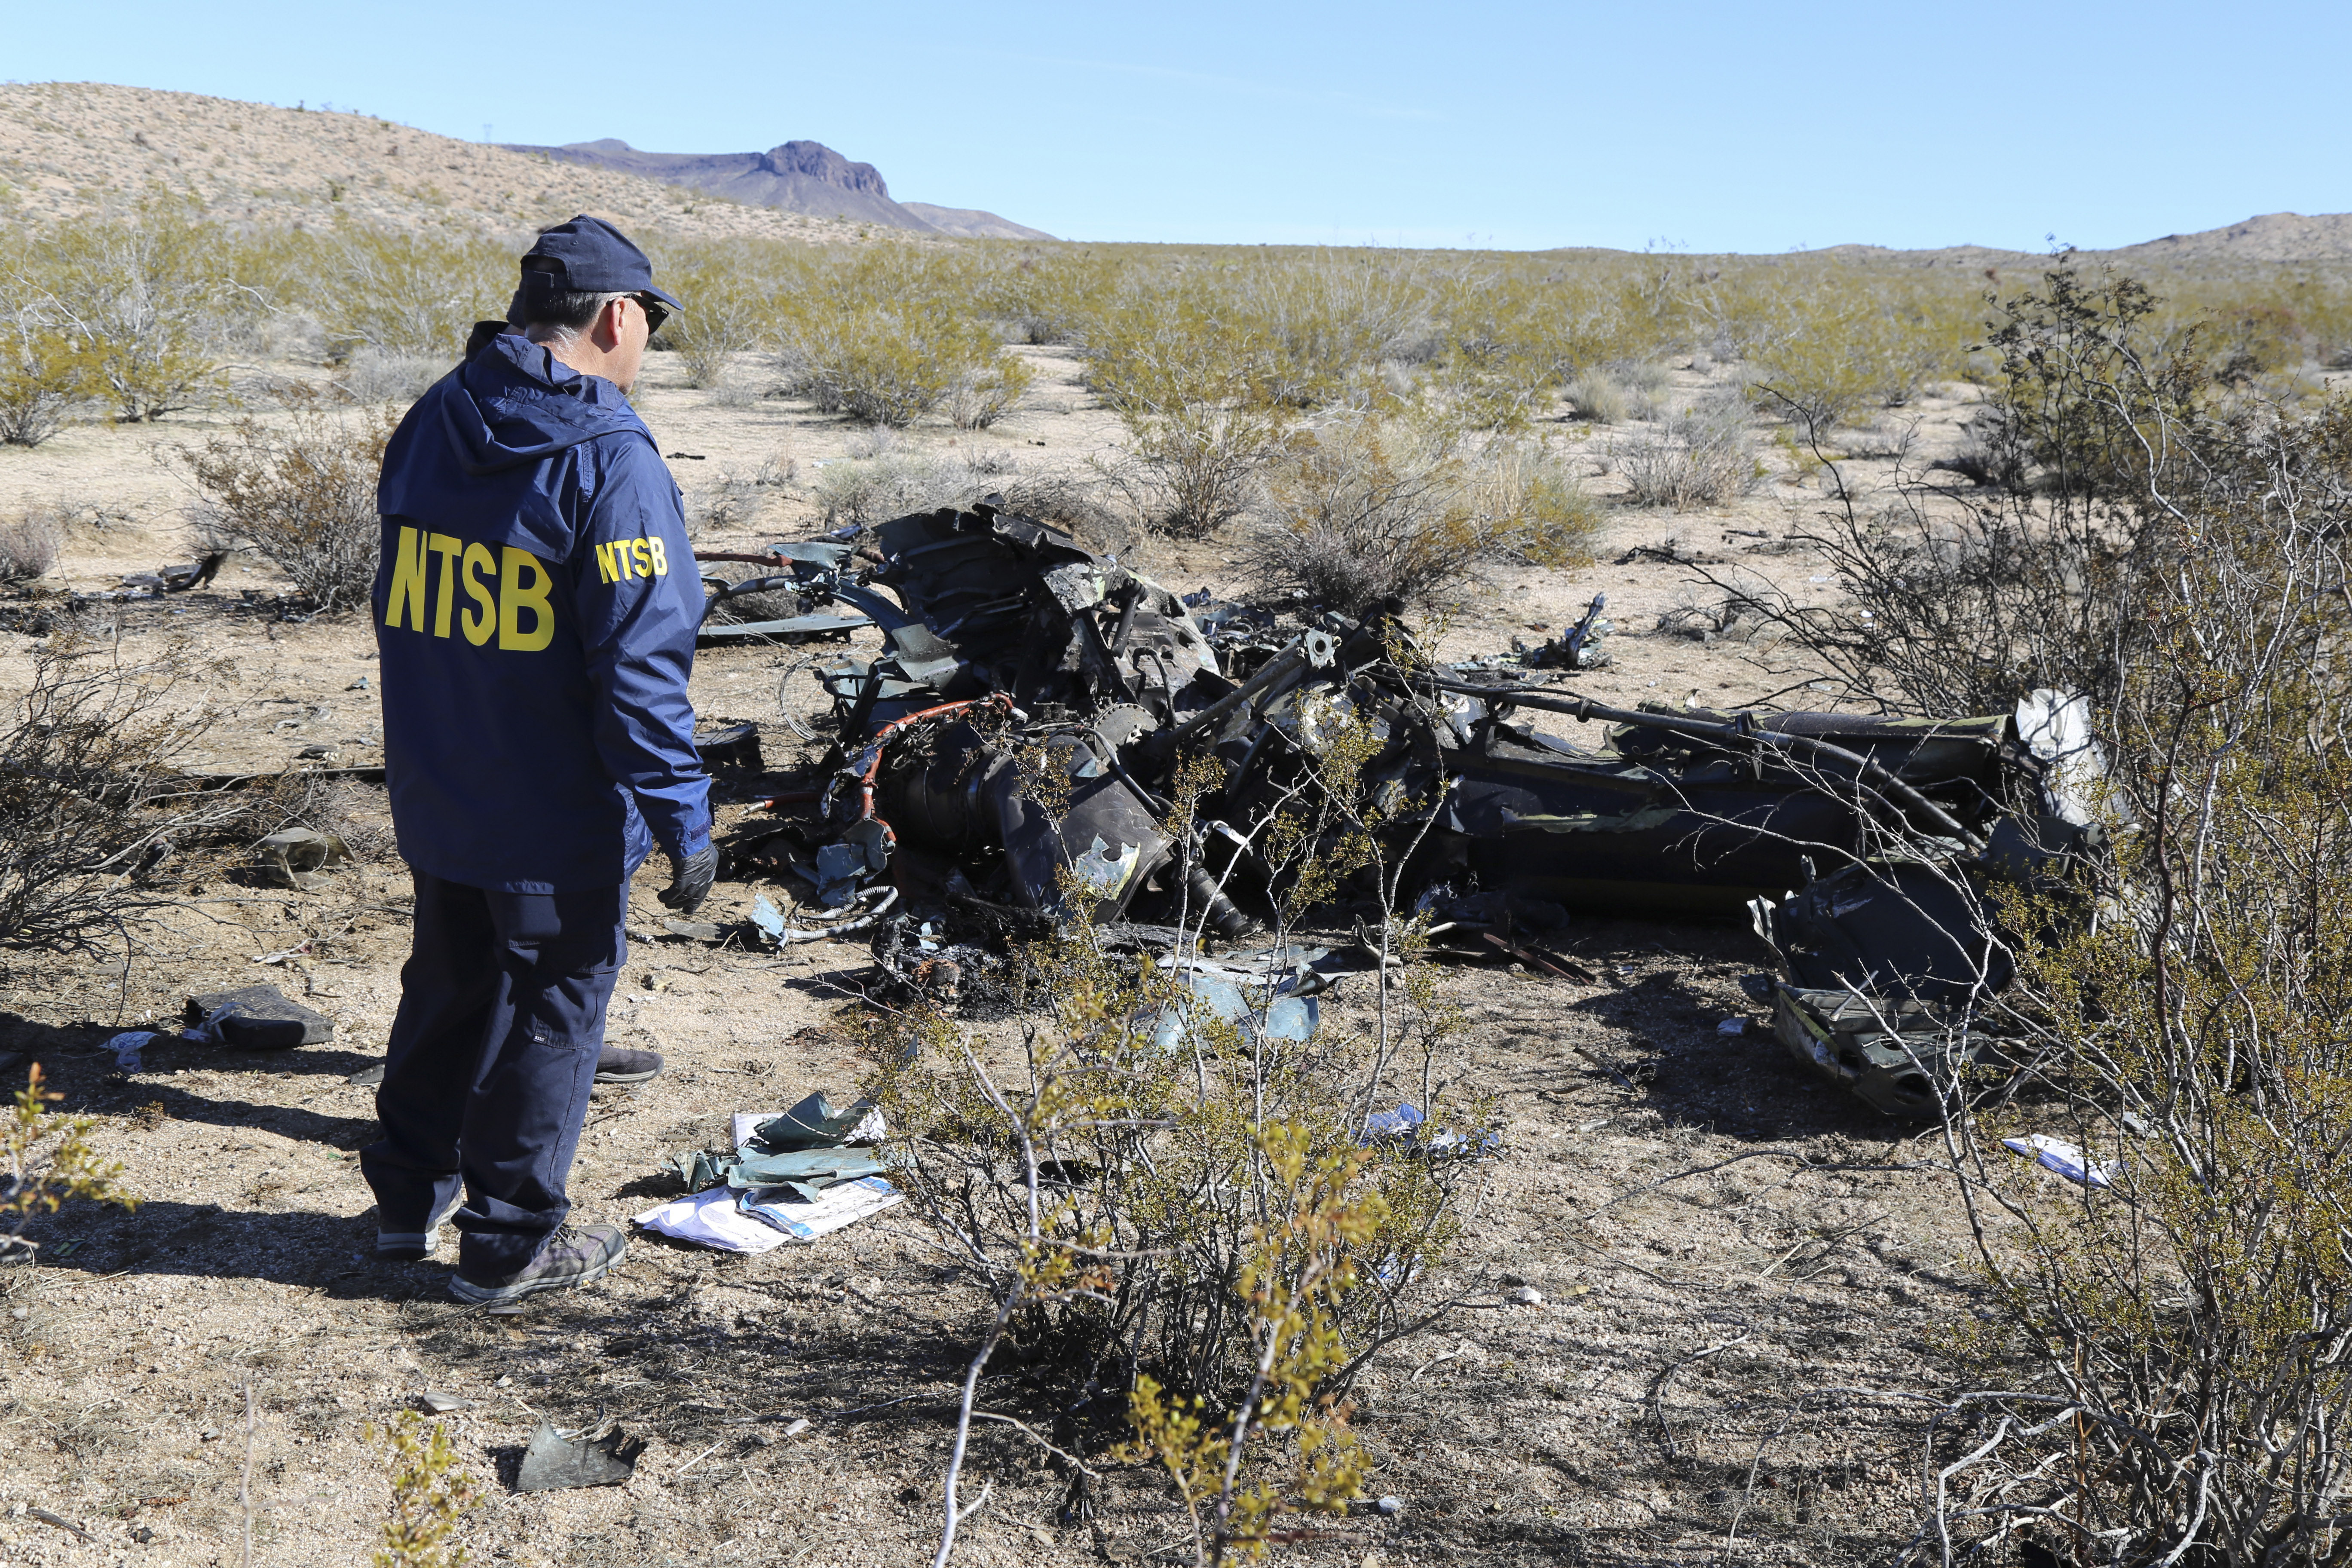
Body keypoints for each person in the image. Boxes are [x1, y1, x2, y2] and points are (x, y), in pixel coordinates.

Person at [360, 215, 717, 1305]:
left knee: (451, 980)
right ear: (617, 317)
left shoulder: (434, 416)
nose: (645, 342)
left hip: (440, 775)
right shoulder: (611, 459)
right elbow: (639, 663)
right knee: (558, 1003)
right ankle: (510, 1243)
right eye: (647, 321)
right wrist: (684, 818)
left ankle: (406, 1197)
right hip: (552, 803)